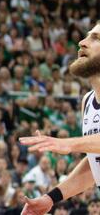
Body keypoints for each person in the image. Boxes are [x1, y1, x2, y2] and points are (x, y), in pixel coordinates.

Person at [20, 22, 100, 214]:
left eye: (95, 38)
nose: (82, 42)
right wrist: (51, 197)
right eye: (87, 36)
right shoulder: (88, 101)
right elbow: (95, 162)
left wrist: (69, 144)